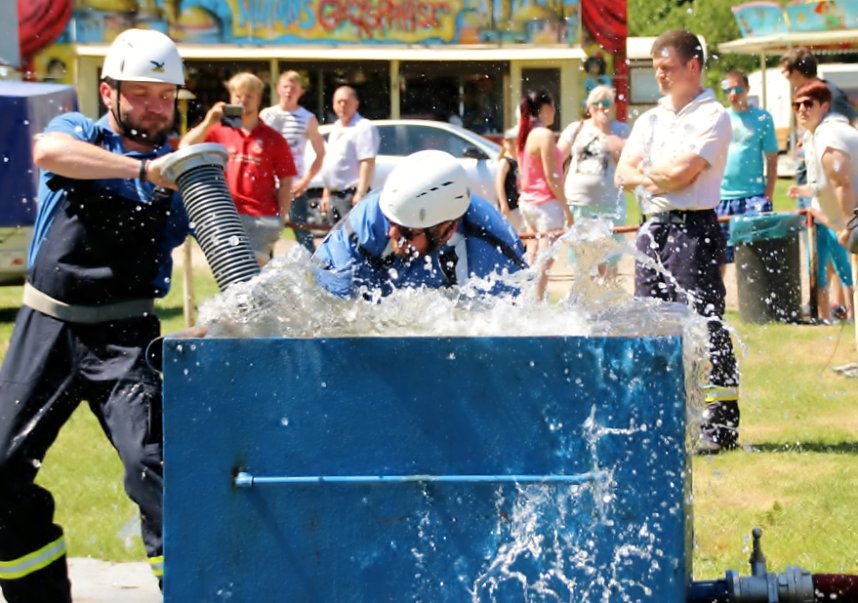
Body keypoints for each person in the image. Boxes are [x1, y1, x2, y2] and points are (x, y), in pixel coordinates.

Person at [0, 28, 189, 602]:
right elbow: (48, 154)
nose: (157, 107)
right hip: (47, 328)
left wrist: (173, 176)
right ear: (109, 93)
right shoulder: (78, 132)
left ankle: (192, 590)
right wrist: (139, 172)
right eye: (143, 93)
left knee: (154, 470)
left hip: (128, 341)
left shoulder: (178, 167)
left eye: (166, 96)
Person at [615, 29, 740, 454]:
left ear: (693, 66)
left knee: (705, 323)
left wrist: (653, 175)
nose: (661, 77)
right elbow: (623, 173)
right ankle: (661, 416)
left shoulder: (712, 115)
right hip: (653, 227)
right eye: (656, 70)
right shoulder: (650, 119)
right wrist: (660, 175)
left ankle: (719, 425)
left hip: (694, 227)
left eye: (667, 68)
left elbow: (684, 172)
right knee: (650, 321)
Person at [312, 150, 527, 298]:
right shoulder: (369, 221)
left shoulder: (494, 247)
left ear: (446, 228)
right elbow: (328, 305)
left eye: (407, 230)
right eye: (390, 221)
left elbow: (504, 335)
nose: (392, 232)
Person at [180, 72, 296, 265]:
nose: (243, 101)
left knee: (253, 276)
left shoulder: (273, 138)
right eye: (238, 96)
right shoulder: (218, 132)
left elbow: (286, 182)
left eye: (249, 96)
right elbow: (185, 148)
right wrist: (209, 121)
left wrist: (281, 217)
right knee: (231, 274)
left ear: (258, 98)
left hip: (261, 218)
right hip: (227, 214)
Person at [787, 81, 856, 322]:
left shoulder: (828, 133)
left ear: (824, 106)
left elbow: (841, 179)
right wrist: (803, 190)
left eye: (808, 104)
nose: (802, 109)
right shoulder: (814, 135)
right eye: (797, 105)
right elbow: (823, 186)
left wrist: (849, 225)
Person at [558, 85, 629, 279]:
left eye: (606, 103)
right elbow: (557, 158)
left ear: (613, 106)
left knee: (609, 262)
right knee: (582, 262)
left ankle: (608, 305)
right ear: (588, 107)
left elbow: (628, 165)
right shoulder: (576, 128)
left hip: (610, 206)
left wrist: (609, 136)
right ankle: (584, 306)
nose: (601, 107)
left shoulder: (621, 131)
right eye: (596, 103)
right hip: (579, 205)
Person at [718, 70, 779, 278]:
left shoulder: (762, 118)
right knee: (719, 258)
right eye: (728, 89)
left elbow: (772, 160)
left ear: (747, 89)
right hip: (723, 197)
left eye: (738, 89)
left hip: (753, 196)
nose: (733, 94)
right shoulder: (721, 118)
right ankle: (717, 308)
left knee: (755, 258)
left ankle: (756, 307)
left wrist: (767, 196)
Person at [260, 70, 326, 253]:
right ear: (278, 88)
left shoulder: (307, 118)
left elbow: (320, 153)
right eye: (286, 86)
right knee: (265, 232)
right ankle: (264, 273)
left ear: (300, 92)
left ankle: (314, 273)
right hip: (267, 183)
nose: (289, 91)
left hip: (294, 184)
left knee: (301, 231)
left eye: (294, 88)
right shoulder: (266, 115)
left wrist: (306, 181)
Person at [517, 89, 574, 300]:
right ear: (545, 108)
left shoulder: (527, 134)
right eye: (552, 106)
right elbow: (552, 177)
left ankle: (523, 299)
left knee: (532, 256)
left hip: (528, 203)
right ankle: (536, 303)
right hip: (545, 205)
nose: (555, 111)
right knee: (545, 261)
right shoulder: (545, 135)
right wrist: (567, 210)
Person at [320, 86, 379, 222]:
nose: (342, 105)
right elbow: (331, 162)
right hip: (334, 195)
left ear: (356, 104)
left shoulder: (363, 127)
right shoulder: (336, 127)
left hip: (351, 195)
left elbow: (367, 162)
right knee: (336, 238)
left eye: (346, 102)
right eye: (338, 102)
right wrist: (326, 193)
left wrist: (360, 193)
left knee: (353, 238)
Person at [495, 126, 524, 233]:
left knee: (520, 230)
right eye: (510, 142)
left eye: (516, 142)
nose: (513, 145)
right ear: (504, 142)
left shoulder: (516, 160)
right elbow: (499, 184)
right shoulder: (505, 162)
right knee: (514, 231)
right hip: (509, 204)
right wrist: (503, 203)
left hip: (517, 202)